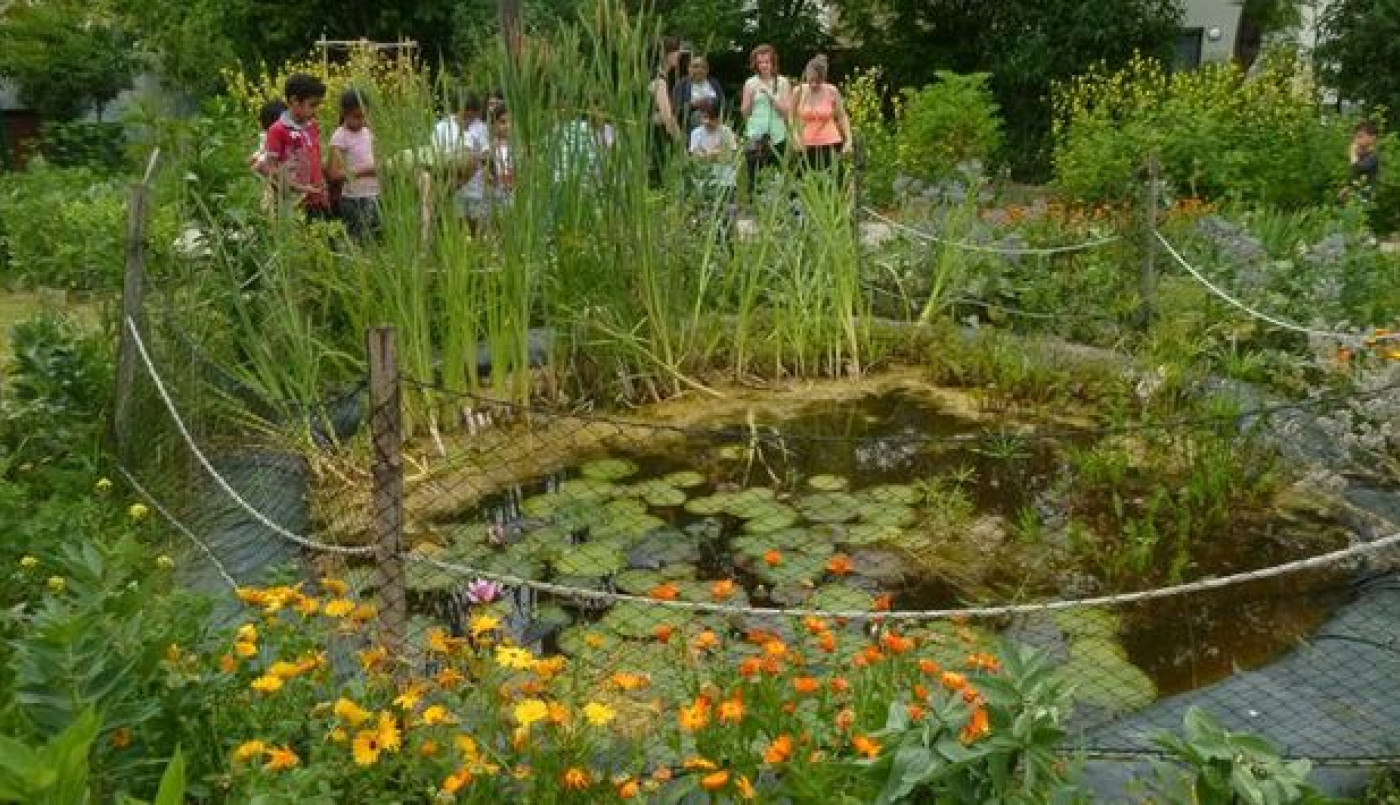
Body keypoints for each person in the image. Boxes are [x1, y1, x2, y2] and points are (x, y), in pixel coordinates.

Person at [260, 73, 331, 219]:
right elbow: (270, 168)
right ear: (294, 101)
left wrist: (323, 187)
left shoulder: (312, 126)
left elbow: (316, 158)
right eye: (312, 105)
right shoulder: (278, 130)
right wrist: (299, 187)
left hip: (317, 199)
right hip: (294, 204)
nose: (316, 110)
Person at [739, 44, 792, 201]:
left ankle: (777, 207)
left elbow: (786, 112)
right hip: (755, 135)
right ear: (755, 64)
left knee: (778, 174)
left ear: (773, 63)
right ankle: (755, 205)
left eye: (767, 62)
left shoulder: (782, 82)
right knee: (754, 176)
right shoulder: (750, 83)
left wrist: (770, 95)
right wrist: (752, 97)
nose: (764, 65)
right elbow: (744, 113)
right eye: (760, 62)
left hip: (777, 135)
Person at [434, 91, 492, 229]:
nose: (469, 120)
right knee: (455, 223)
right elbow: (436, 155)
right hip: (453, 186)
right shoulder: (442, 128)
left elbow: (487, 153)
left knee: (477, 224)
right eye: (466, 115)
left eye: (473, 116)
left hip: (476, 187)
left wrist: (474, 158)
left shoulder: (481, 128)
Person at [328, 89, 380, 241]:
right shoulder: (340, 136)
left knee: (373, 237)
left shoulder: (367, 132)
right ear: (344, 113)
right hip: (353, 199)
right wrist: (366, 170)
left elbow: (376, 159)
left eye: (365, 116)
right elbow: (334, 174)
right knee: (357, 239)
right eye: (357, 117)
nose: (362, 121)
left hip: (373, 194)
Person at [790, 55, 853, 176]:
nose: (813, 84)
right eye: (811, 80)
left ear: (824, 79)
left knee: (833, 182)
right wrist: (795, 137)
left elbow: (842, 116)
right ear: (806, 75)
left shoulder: (832, 91)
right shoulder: (798, 91)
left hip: (830, 143)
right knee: (801, 184)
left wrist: (848, 140)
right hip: (804, 145)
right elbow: (791, 116)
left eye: (818, 81)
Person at [649, 37, 684, 184]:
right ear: (666, 54)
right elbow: (667, 116)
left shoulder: (655, 76)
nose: (680, 55)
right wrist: (680, 141)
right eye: (677, 51)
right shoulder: (658, 80)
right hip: (654, 138)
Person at [673, 55, 725, 132]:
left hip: (715, 119)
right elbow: (677, 108)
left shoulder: (714, 83)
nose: (699, 70)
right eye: (695, 66)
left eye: (703, 67)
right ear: (689, 69)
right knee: (698, 115)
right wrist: (694, 104)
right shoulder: (681, 85)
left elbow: (722, 102)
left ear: (707, 70)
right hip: (692, 123)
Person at [1346, 120, 1380, 204]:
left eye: (1360, 136)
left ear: (1372, 138)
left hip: (1367, 196)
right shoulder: (1361, 155)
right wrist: (1347, 188)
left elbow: (1359, 168)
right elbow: (1354, 175)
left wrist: (1353, 153)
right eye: (1356, 137)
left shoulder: (1373, 156)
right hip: (1356, 194)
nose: (1356, 140)